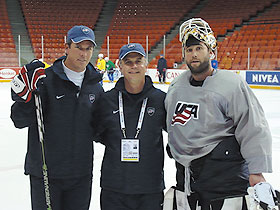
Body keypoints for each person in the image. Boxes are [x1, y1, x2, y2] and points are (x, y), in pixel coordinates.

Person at [165, 18, 272, 209]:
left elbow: (252, 127)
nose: (194, 54)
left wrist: (257, 172)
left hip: (225, 181)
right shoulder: (176, 87)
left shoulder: (231, 84)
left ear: (211, 51)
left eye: (199, 48)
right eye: (189, 50)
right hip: (187, 180)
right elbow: (171, 124)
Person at [10, 25, 104, 210]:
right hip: (46, 174)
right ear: (67, 47)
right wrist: (25, 98)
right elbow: (19, 120)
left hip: (80, 175)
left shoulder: (95, 85)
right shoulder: (45, 79)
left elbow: (99, 130)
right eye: (79, 47)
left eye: (88, 48)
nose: (84, 54)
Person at [92, 43, 166, 210]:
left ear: (146, 64)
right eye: (128, 62)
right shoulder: (106, 100)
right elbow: (97, 133)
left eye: (138, 61)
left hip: (150, 189)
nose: (134, 66)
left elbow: (177, 133)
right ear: (120, 66)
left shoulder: (160, 100)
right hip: (114, 189)